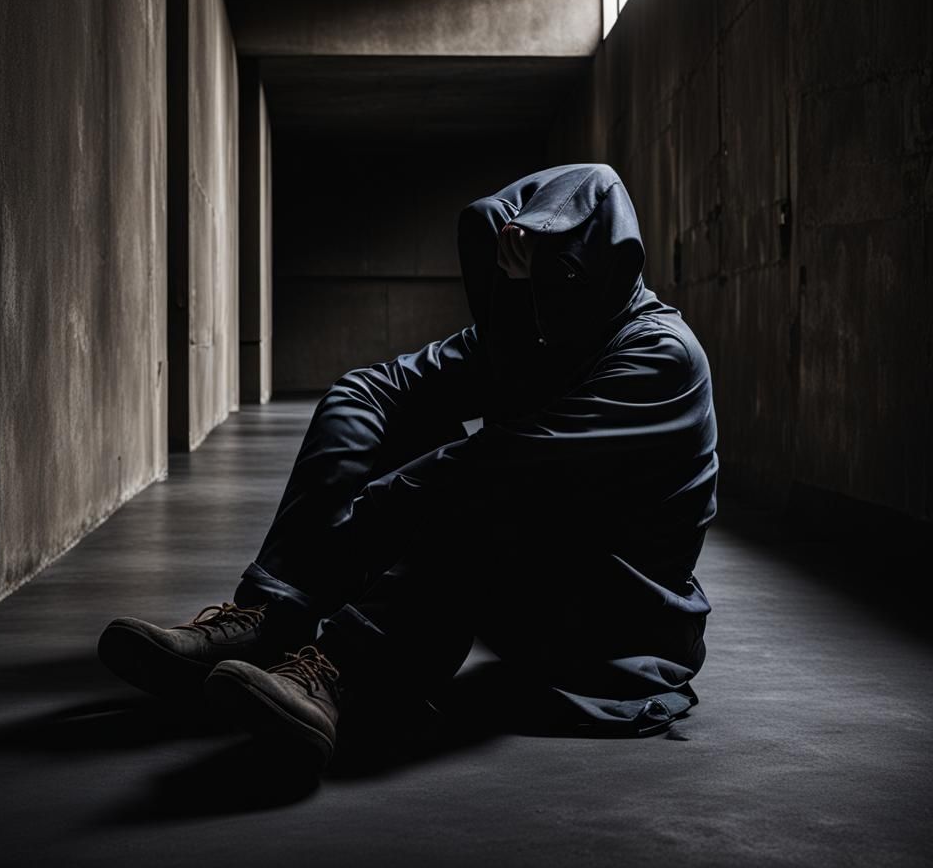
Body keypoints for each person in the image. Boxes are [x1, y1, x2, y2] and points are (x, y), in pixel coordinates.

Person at [98, 163, 719, 776]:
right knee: (379, 405)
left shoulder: (660, 356)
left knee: (488, 484)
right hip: (533, 592)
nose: (535, 298)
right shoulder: (532, 333)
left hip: (613, 620)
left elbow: (501, 464)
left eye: (552, 278)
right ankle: (270, 619)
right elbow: (373, 393)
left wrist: (357, 528)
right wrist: (510, 306)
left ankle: (341, 671)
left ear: (598, 273)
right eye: (523, 277)